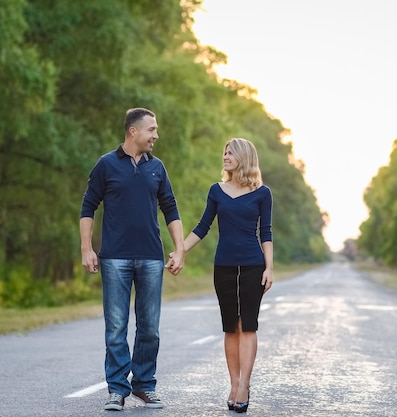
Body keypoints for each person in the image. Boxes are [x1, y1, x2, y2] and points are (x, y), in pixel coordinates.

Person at [80, 107, 185, 411]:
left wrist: (178, 249)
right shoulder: (106, 165)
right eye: (151, 129)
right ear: (133, 131)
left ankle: (144, 385)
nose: (156, 135)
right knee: (116, 326)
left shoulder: (158, 168)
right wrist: (87, 248)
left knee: (149, 326)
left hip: (152, 258)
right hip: (114, 258)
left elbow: (171, 209)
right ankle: (117, 389)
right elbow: (88, 208)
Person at [169, 137, 273, 414]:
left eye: (230, 153)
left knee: (247, 325)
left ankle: (245, 386)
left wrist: (270, 268)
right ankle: (233, 383)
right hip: (224, 266)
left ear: (243, 157)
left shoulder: (263, 193)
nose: (225, 156)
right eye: (224, 152)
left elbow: (266, 232)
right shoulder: (216, 191)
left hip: (253, 266)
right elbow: (203, 226)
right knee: (230, 326)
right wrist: (180, 251)